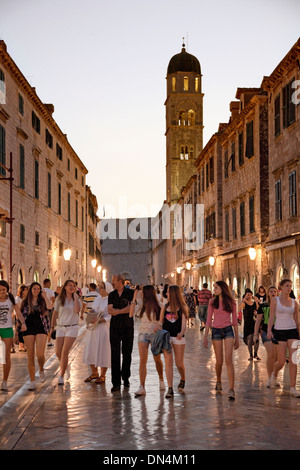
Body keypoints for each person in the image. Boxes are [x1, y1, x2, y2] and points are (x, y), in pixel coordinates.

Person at [203, 281, 239, 400]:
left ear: (222, 288)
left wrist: (237, 338)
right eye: (214, 288)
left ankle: (231, 388)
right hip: (216, 331)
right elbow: (208, 319)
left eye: (216, 288)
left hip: (228, 330)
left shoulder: (231, 302)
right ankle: (218, 380)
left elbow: (234, 321)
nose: (214, 290)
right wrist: (205, 336)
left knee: (229, 360)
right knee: (219, 361)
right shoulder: (212, 302)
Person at [130, 285, 165, 397]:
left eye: (143, 292)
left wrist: (159, 325)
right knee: (142, 361)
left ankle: (161, 379)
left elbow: (162, 319)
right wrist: (134, 298)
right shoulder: (141, 304)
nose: (142, 294)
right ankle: (142, 386)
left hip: (154, 334)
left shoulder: (158, 304)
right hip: (143, 334)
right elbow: (131, 314)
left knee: (157, 359)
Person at [267, 279, 300, 397]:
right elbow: (271, 317)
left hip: (292, 331)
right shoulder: (275, 301)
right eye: (287, 286)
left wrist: (299, 332)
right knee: (281, 361)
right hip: (280, 331)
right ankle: (274, 374)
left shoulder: (295, 302)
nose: (289, 288)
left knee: (294, 360)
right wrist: (269, 330)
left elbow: (297, 319)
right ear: (281, 287)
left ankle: (292, 387)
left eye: (290, 286)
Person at [20, 282, 52, 390]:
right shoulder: (25, 302)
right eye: (34, 289)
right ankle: (32, 381)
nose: (36, 291)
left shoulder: (42, 300)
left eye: (38, 289)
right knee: (30, 355)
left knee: (40, 354)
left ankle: (41, 368)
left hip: (41, 328)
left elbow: (50, 306)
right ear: (30, 290)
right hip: (28, 328)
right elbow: (19, 316)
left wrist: (45, 296)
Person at [160, 285, 188, 399]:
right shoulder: (164, 307)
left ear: (172, 294)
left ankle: (183, 377)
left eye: (167, 292)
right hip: (167, 338)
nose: (166, 294)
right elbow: (161, 321)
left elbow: (184, 324)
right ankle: (170, 388)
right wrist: (158, 328)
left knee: (179, 363)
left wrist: (181, 333)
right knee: (168, 362)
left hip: (178, 338)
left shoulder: (182, 307)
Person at [51, 280, 81, 385]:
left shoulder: (76, 299)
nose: (72, 287)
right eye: (69, 285)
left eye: (73, 286)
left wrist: (76, 299)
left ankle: (61, 376)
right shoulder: (59, 299)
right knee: (58, 352)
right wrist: (52, 327)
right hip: (60, 327)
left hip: (72, 327)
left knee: (64, 352)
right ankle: (66, 366)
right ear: (65, 287)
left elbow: (77, 311)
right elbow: (55, 313)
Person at [107, 274, 134, 392]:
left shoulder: (130, 293)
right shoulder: (111, 295)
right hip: (115, 327)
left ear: (120, 281)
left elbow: (131, 309)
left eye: (113, 280)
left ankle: (126, 377)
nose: (112, 282)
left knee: (127, 353)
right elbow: (109, 310)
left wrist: (117, 312)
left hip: (128, 326)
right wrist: (122, 311)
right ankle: (116, 382)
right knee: (115, 354)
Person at [83, 281, 113, 384]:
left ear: (107, 289)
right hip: (94, 328)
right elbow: (93, 309)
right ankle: (94, 372)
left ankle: (103, 375)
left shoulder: (110, 300)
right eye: (99, 288)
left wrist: (101, 320)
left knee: (103, 350)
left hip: (103, 328)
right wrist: (91, 314)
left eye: (102, 288)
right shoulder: (97, 298)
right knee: (91, 349)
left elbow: (110, 315)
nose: (100, 290)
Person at [0, 281, 27, 391]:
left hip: (7, 329)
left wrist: (23, 323)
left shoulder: (11, 300)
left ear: (7, 289)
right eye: (0, 290)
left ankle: (4, 381)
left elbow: (18, 313)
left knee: (6, 356)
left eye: (3, 289)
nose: (1, 292)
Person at [254, 286, 278, 387]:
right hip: (265, 331)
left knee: (277, 357)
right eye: (271, 291)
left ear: (277, 293)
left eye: (275, 291)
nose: (273, 293)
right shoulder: (263, 305)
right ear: (268, 293)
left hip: (278, 332)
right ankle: (270, 378)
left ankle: (274, 377)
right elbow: (258, 321)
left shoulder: (280, 305)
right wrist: (255, 334)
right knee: (271, 353)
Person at [239, 289, 260, 361]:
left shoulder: (254, 303)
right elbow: (238, 308)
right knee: (250, 340)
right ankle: (251, 355)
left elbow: (259, 310)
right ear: (245, 295)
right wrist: (243, 300)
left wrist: (257, 302)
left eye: (250, 294)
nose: (249, 296)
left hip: (255, 323)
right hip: (247, 324)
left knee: (256, 339)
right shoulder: (244, 303)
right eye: (247, 294)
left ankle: (256, 354)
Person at [15, 284, 28, 352]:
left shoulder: (26, 298)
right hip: (20, 316)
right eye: (24, 290)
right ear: (21, 291)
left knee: (25, 331)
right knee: (20, 331)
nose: (26, 291)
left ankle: (24, 345)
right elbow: (17, 308)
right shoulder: (18, 298)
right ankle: (21, 346)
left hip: (26, 316)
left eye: (26, 290)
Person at [43, 279, 55, 348]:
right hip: (48, 309)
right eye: (49, 283)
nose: (50, 285)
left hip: (41, 309)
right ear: (47, 283)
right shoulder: (51, 291)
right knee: (49, 325)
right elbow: (53, 301)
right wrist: (52, 308)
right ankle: (49, 341)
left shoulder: (41, 290)